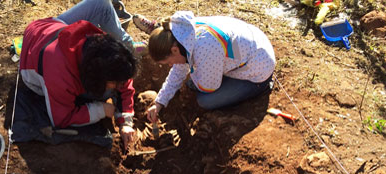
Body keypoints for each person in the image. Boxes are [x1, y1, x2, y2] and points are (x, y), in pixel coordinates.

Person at [18, 0, 138, 149]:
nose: (118, 86)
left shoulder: (100, 46)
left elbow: (123, 79)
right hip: (33, 67)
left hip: (49, 26)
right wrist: (101, 110)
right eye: (114, 83)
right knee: (104, 93)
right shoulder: (60, 72)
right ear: (94, 76)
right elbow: (61, 118)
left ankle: (129, 48)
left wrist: (125, 122)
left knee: (101, 4)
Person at [145, 11, 276, 124]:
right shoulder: (182, 34)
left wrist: (192, 73)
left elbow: (209, 87)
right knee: (193, 82)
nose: (170, 65)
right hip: (251, 44)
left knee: (205, 100)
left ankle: (262, 87)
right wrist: (159, 102)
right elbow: (179, 70)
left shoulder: (204, 46)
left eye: (168, 61)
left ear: (174, 50)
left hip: (259, 68)